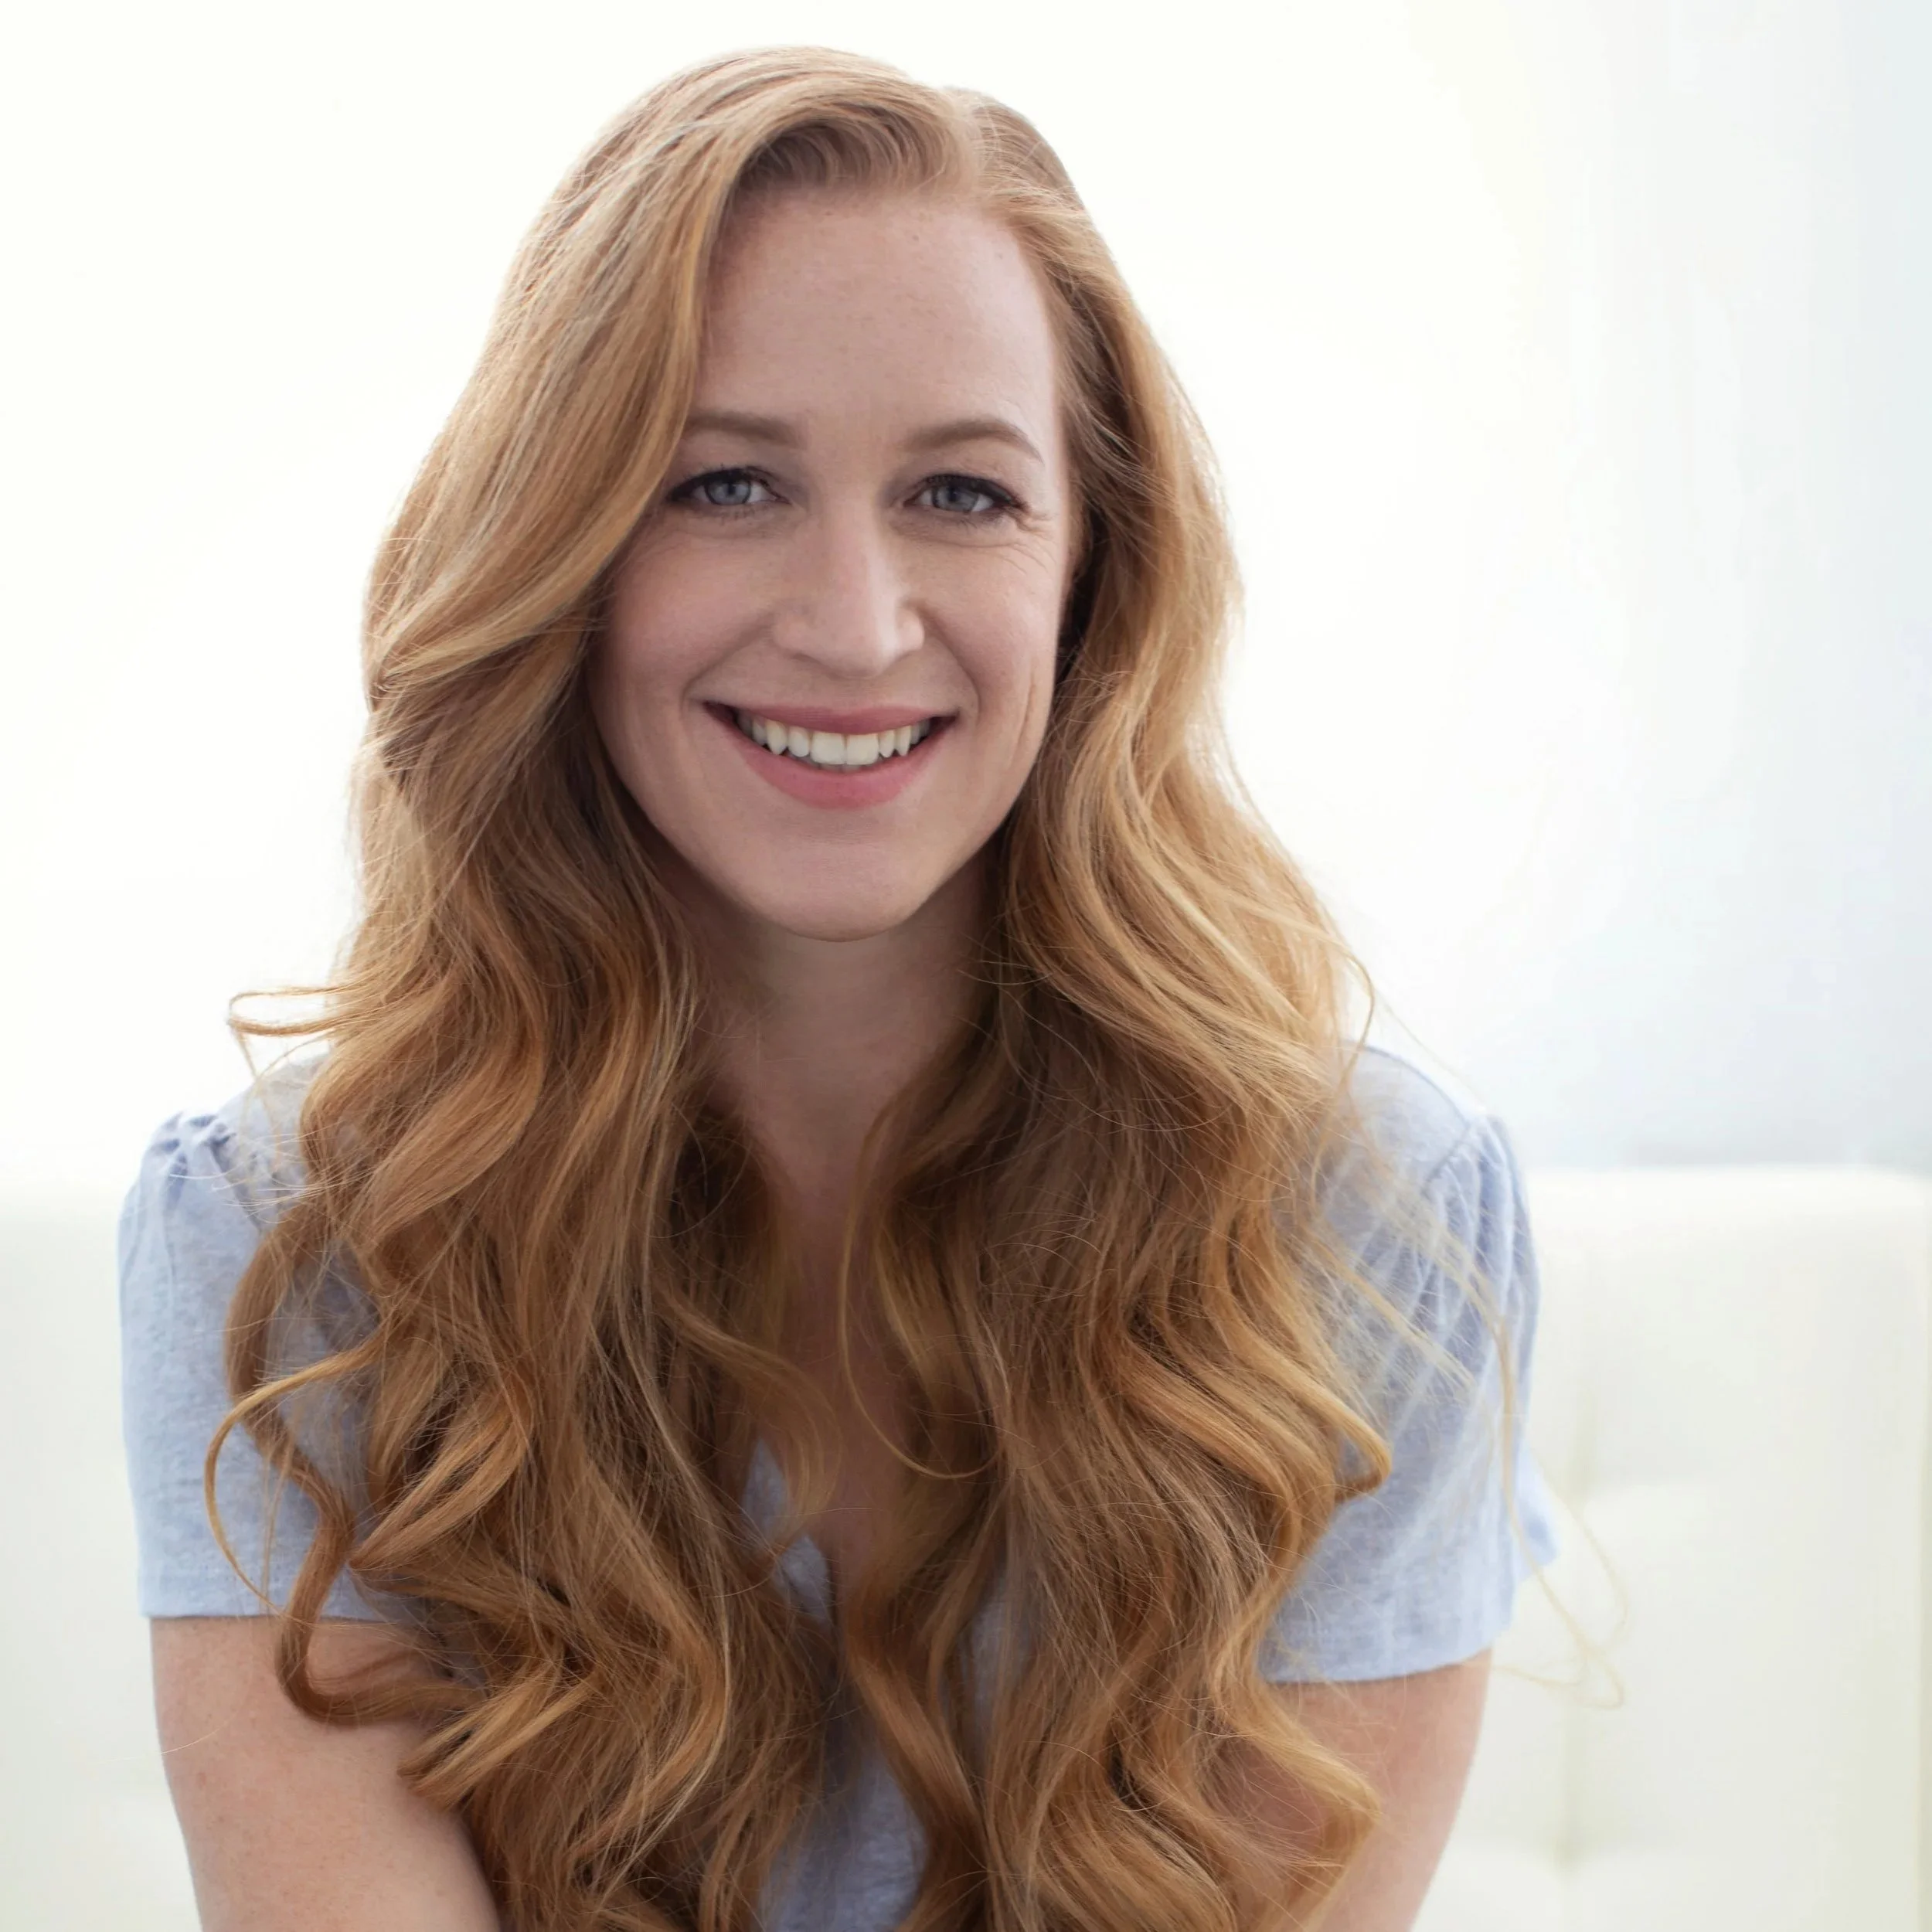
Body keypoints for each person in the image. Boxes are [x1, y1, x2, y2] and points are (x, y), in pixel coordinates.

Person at [118, 45, 1560, 1932]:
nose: (858, 623)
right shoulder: (283, 1234)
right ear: (562, 548)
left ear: (1090, 571)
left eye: (961, 492)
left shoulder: (1370, 1223)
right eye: (724, 482)